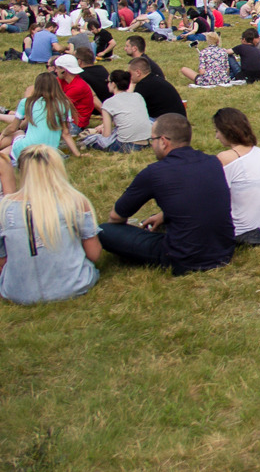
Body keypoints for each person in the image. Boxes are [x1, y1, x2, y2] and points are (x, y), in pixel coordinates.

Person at [98, 113, 235, 275]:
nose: (151, 145)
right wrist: (164, 216)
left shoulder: (155, 173)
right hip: (224, 250)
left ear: (163, 142)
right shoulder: (212, 162)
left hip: (182, 258)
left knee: (103, 231)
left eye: (152, 140)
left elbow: (116, 217)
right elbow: (199, 200)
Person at [0, 145, 101, 304]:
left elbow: (3, 261)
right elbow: (94, 254)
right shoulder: (75, 200)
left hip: (17, 292)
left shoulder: (4, 208)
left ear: (22, 171)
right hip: (74, 285)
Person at [213, 108, 260, 245]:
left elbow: (210, 197)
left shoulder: (225, 158)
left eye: (217, 131)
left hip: (239, 231)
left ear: (226, 131)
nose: (216, 136)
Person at [0, 72, 82, 168]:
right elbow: (66, 133)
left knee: (18, 134)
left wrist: (3, 134)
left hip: (28, 151)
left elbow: (13, 128)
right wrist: (78, 154)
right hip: (49, 154)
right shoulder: (64, 103)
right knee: (16, 143)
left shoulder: (27, 102)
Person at [79, 69, 152, 153]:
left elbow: (106, 135)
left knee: (91, 139)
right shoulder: (138, 96)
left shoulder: (108, 103)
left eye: (108, 81)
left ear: (113, 84)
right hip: (145, 142)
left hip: (126, 145)